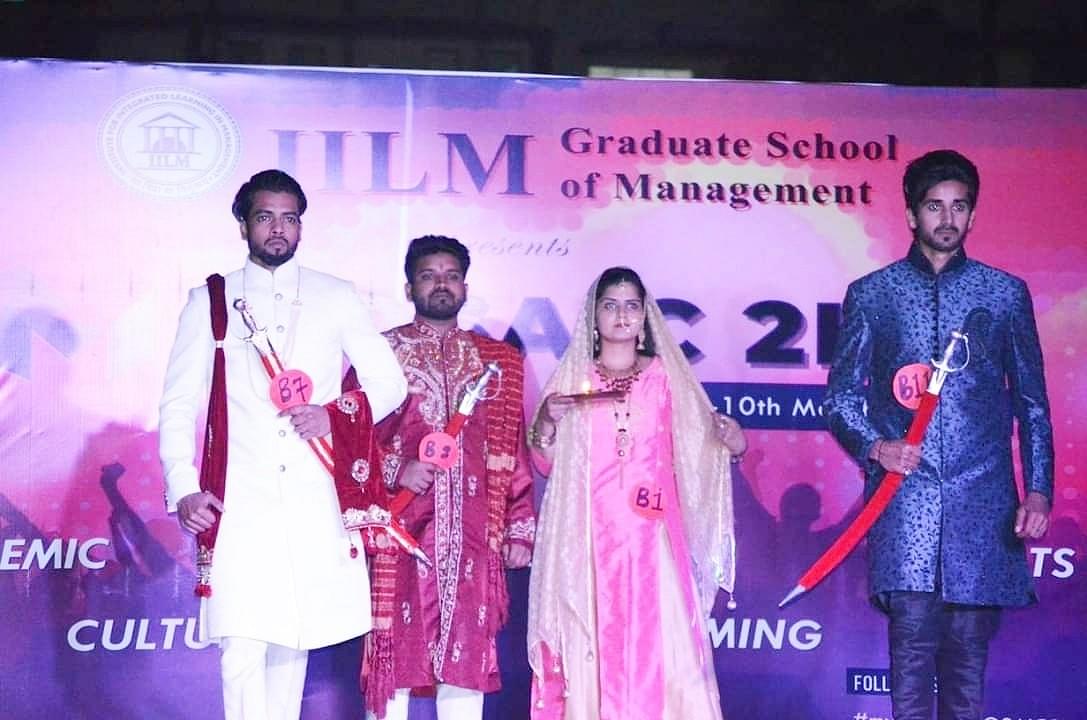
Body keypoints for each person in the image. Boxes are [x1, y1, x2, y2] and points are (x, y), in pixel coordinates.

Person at [159, 169, 407, 720]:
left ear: (301, 226)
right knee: (241, 647)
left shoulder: (334, 295)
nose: (278, 229)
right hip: (238, 502)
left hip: (314, 498)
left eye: (289, 218)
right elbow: (177, 404)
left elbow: (389, 384)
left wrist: (333, 415)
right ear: (243, 225)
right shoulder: (212, 299)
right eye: (265, 217)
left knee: (291, 646)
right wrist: (183, 486)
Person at [824, 149, 1055, 720]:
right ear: (911, 214)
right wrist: (877, 447)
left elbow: (1032, 403)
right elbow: (841, 399)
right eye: (934, 206)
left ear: (973, 215)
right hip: (905, 502)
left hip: (984, 505)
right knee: (909, 659)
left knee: (966, 669)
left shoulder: (1003, 294)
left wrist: (1038, 491)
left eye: (959, 206)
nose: (947, 218)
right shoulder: (873, 294)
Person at [526, 266, 745, 720]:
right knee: (591, 632)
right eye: (610, 305)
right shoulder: (572, 377)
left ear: (645, 316)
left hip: (653, 537)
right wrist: (546, 421)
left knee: (660, 641)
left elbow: (700, 445)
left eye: (631, 306)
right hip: (589, 537)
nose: (621, 315)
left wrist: (734, 443)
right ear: (594, 316)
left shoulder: (665, 376)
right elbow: (545, 463)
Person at [361, 235, 536, 720]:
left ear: (465, 287)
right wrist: (398, 468)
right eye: (428, 275)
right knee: (394, 662)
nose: (441, 284)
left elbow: (513, 449)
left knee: (465, 667)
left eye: (451, 276)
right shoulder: (380, 354)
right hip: (401, 532)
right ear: (408, 287)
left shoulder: (496, 362)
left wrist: (519, 527)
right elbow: (351, 440)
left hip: (474, 537)